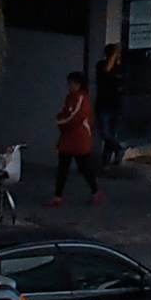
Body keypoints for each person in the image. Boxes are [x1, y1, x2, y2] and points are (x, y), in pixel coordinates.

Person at [54, 69, 103, 205]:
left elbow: (76, 117)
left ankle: (95, 191)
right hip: (68, 138)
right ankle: (58, 196)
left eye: (71, 84)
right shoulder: (70, 97)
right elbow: (65, 112)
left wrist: (60, 122)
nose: (69, 86)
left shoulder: (81, 98)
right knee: (63, 168)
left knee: (84, 167)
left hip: (79, 139)